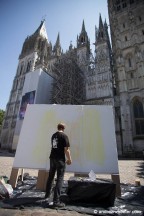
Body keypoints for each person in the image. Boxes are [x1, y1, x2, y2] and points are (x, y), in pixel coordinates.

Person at [45, 122, 72, 207]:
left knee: (50, 177)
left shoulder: (54, 135)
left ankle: (47, 195)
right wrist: (69, 159)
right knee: (60, 178)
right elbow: (66, 150)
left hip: (52, 158)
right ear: (64, 128)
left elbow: (54, 146)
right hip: (60, 159)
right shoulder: (64, 136)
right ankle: (56, 201)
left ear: (58, 127)